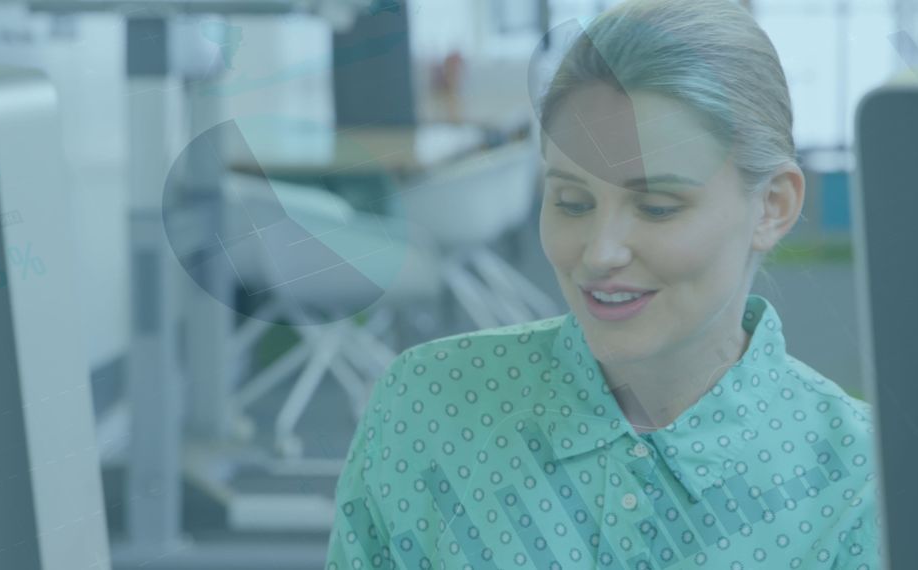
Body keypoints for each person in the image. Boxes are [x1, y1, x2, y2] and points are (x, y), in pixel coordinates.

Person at [324, 0, 880, 568]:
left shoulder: (865, 479)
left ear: (772, 206)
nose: (600, 252)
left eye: (658, 207)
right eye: (571, 202)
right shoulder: (425, 404)